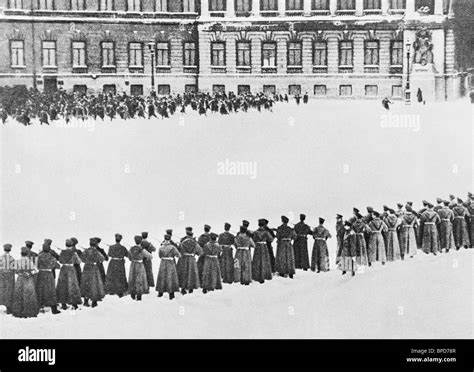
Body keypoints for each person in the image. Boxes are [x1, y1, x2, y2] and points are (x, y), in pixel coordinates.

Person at [11, 247, 40, 318]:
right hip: (28, 279)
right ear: (27, 254)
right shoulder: (29, 261)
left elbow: (14, 270)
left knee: (18, 295)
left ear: (21, 253)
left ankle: (18, 312)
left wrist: (20, 273)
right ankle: (29, 312)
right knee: (29, 295)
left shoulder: (17, 261)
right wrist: (29, 273)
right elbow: (35, 271)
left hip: (20, 279)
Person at [57, 239, 82, 310]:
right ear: (71, 245)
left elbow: (60, 261)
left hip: (63, 269)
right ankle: (74, 304)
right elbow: (78, 262)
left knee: (62, 286)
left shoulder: (62, 252)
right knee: (73, 286)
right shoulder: (74, 253)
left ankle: (63, 304)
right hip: (71, 269)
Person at [81, 238, 106, 308]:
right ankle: (94, 302)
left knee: (86, 283)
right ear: (95, 244)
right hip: (94, 268)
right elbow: (102, 259)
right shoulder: (96, 251)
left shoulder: (86, 251)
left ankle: (86, 300)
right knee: (95, 284)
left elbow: (82, 259)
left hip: (86, 267)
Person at [36, 244, 61, 314]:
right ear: (49, 249)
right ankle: (54, 309)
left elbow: (36, 266)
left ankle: (39, 307)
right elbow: (57, 266)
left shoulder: (39, 257)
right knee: (51, 290)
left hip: (41, 274)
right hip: (49, 274)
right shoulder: (52, 257)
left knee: (40, 290)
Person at [177, 228, 202, 295]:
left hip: (184, 258)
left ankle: (183, 288)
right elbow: (200, 252)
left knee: (183, 273)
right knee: (191, 273)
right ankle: (191, 288)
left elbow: (179, 250)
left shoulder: (182, 242)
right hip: (191, 259)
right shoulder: (195, 243)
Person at [156, 233, 181, 300]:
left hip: (163, 263)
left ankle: (160, 293)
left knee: (162, 277)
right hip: (170, 263)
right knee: (171, 277)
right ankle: (171, 294)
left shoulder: (161, 247)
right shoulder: (173, 247)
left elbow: (160, 256)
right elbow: (178, 255)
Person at [128, 235, 153, 301]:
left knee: (132, 278)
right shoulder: (142, 249)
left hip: (133, 265)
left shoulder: (131, 248)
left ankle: (132, 294)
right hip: (140, 264)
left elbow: (129, 258)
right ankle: (139, 296)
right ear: (140, 241)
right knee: (140, 279)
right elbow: (150, 256)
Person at [251, 219, 273, 283]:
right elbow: (271, 239)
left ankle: (257, 276)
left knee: (257, 261)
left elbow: (253, 240)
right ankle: (265, 275)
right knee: (264, 260)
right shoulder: (266, 232)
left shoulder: (255, 232)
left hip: (257, 247)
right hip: (264, 247)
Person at [0, 244, 15, 314]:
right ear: (10, 250)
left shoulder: (0, 258)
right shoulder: (12, 259)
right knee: (9, 292)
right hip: (9, 277)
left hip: (1, 276)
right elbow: (15, 268)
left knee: (1, 291)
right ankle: (9, 309)